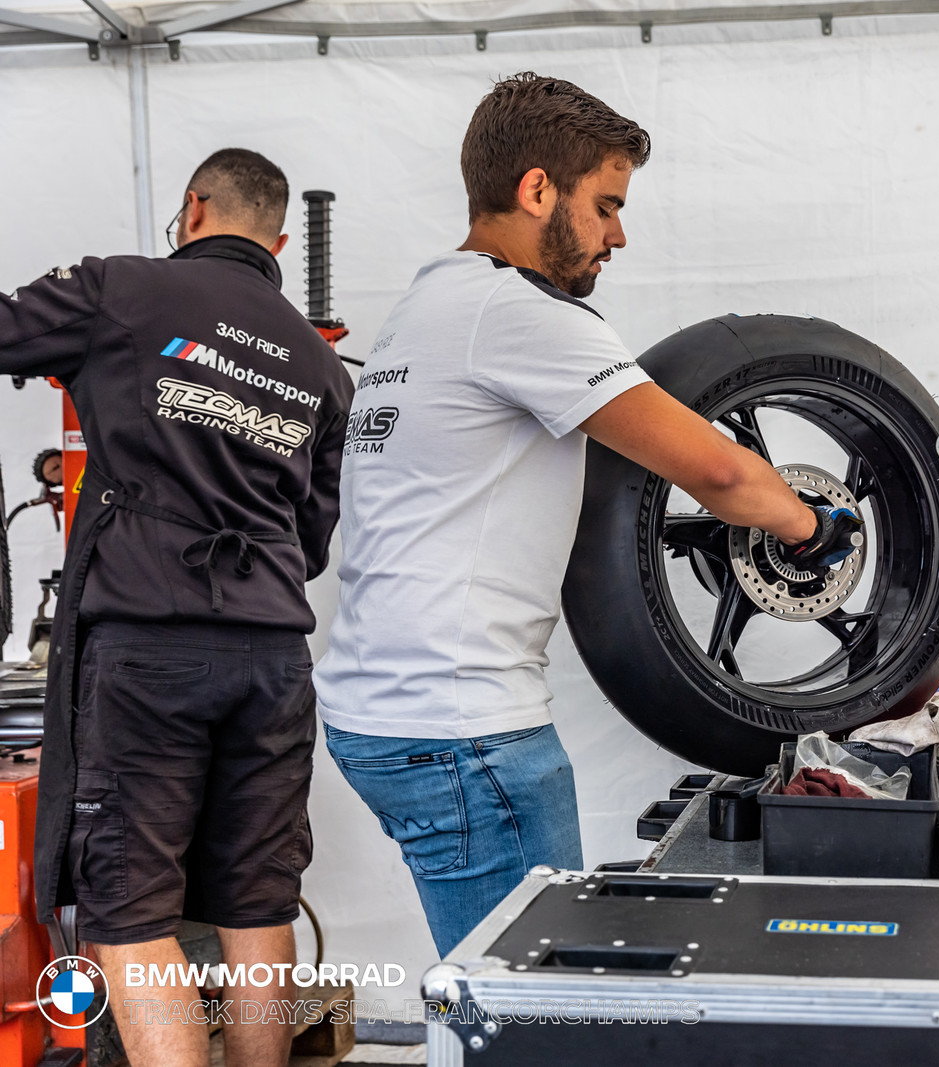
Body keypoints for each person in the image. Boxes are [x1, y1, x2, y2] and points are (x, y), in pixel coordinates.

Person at [313, 73, 861, 954]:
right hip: (465, 736)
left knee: (492, 989)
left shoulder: (431, 302)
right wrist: (812, 531)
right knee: (532, 1011)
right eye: (605, 204)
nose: (618, 233)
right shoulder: (517, 312)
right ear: (537, 190)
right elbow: (721, 471)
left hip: (381, 717)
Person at [0, 149, 355, 1067]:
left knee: (128, 911)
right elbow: (311, 538)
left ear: (192, 209)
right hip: (275, 659)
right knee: (257, 903)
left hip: (150, 649)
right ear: (278, 240)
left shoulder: (117, 287)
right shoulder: (319, 361)